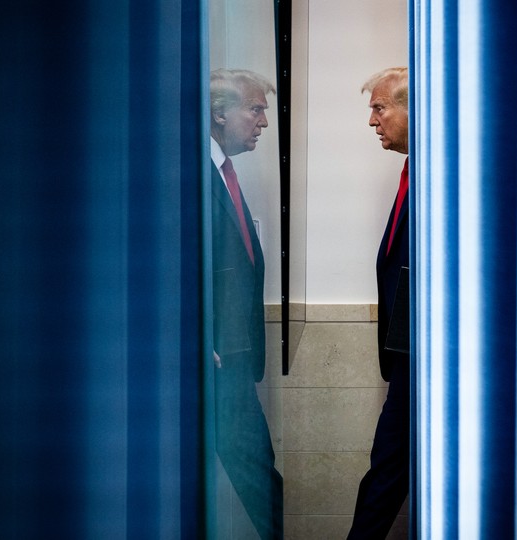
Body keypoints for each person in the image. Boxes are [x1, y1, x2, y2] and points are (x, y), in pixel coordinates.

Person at [209, 68, 283, 540]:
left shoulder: (223, 173)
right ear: (219, 112)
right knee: (258, 473)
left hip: (231, 356)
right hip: (214, 358)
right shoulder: (188, 174)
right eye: (255, 109)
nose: (263, 122)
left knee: (258, 470)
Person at [348, 66, 412, 540]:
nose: (373, 121)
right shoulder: (415, 170)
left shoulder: (443, 173)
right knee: (388, 468)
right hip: (409, 357)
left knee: (388, 470)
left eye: (380, 107)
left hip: (426, 358)